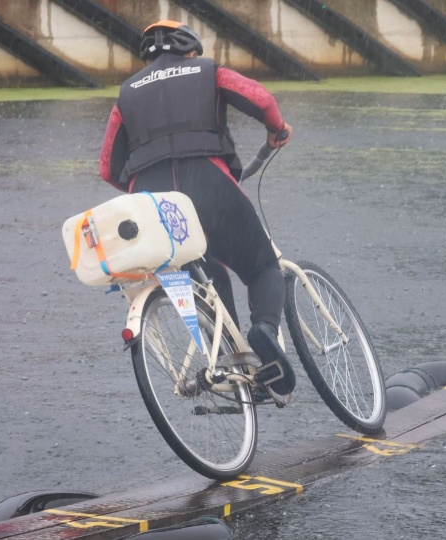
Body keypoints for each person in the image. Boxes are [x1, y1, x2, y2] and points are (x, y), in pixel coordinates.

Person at [98, 20, 295, 406]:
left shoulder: (127, 94)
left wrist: (144, 187)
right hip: (207, 183)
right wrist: (276, 130)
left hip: (152, 205)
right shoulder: (208, 72)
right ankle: (264, 331)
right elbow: (262, 100)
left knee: (208, 279)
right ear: (189, 48)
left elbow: (108, 167)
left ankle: (236, 367)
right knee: (262, 267)